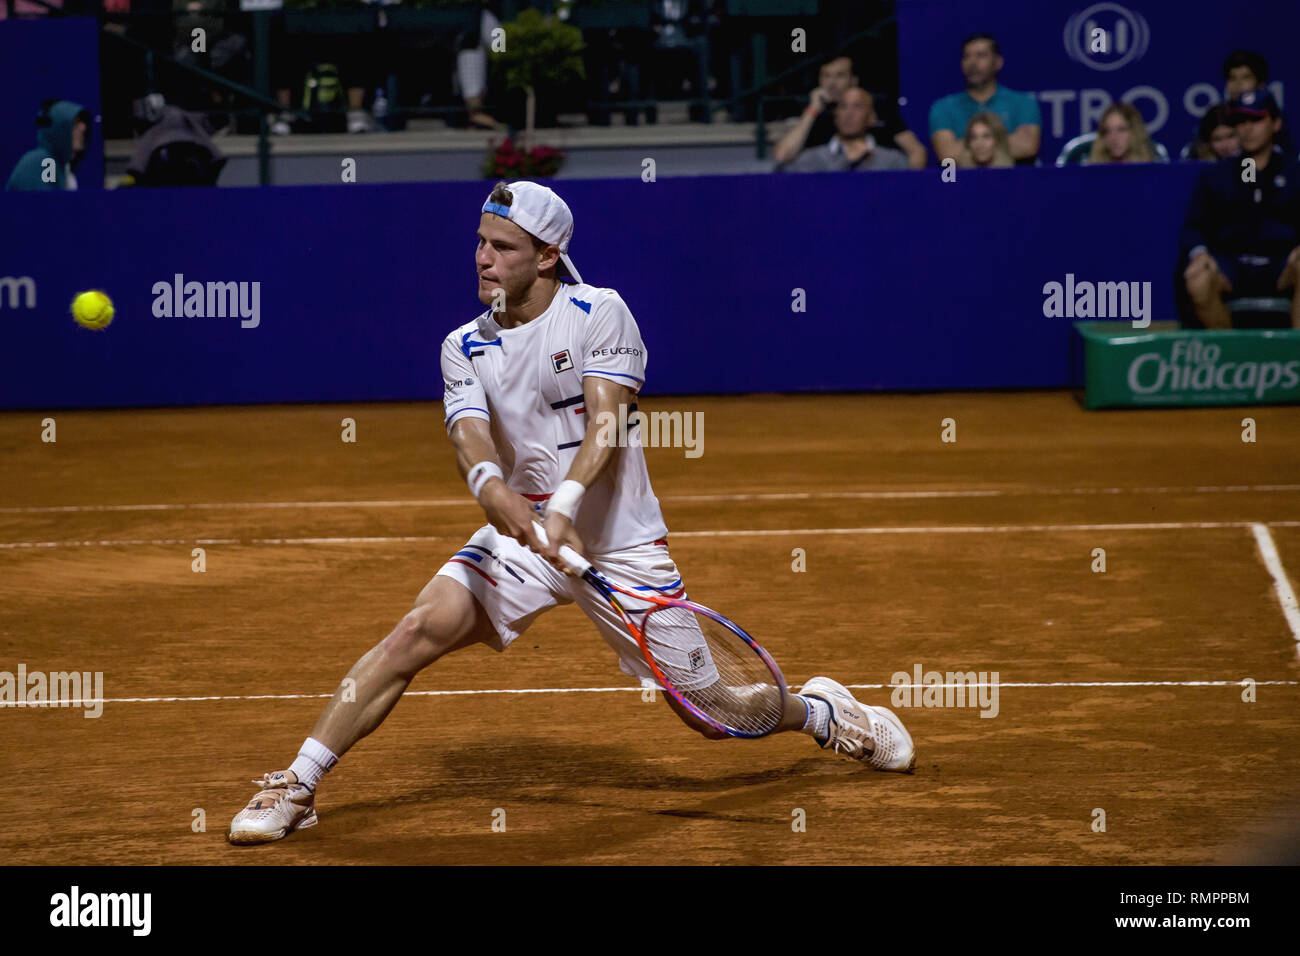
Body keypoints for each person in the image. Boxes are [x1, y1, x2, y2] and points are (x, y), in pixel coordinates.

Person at [228, 180, 916, 844]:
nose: (482, 258)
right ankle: (297, 785)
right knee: (415, 631)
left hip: (619, 545)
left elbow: (607, 427)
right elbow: (469, 434)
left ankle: (823, 715)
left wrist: (563, 508)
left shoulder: (600, 313)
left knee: (715, 713)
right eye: (479, 242)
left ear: (548, 256)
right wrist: (493, 490)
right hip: (524, 537)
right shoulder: (462, 345)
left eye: (503, 247)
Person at [1179, 90, 1300, 330]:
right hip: (1230, 265)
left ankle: (1296, 360)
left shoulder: (1294, 173)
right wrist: (1200, 253)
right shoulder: (1216, 176)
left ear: (1275, 124)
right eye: (1241, 122)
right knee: (1198, 278)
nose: (1247, 129)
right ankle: (1228, 359)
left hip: (1281, 263)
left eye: (1256, 120)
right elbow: (1193, 227)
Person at [773, 56, 926, 169]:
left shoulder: (878, 110)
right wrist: (812, 110)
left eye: (839, 76)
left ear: (853, 81)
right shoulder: (815, 115)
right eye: (826, 76)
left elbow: (916, 151)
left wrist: (904, 184)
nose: (832, 83)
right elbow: (782, 155)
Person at [929, 33, 1041, 165]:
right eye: (966, 57)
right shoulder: (943, 107)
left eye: (981, 55)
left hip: (1015, 180)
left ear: (998, 62)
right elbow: (948, 153)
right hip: (961, 181)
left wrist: (968, 145)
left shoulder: (1024, 103)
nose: (972, 63)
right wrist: (1001, 142)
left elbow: (1027, 146)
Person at [780, 88, 909, 173]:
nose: (848, 114)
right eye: (843, 107)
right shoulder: (812, 159)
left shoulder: (893, 161)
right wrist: (847, 162)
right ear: (835, 116)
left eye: (857, 107)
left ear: (871, 118)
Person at [5, 99, 91, 192]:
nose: (83, 128)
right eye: (75, 123)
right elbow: (46, 204)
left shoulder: (62, 166)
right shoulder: (44, 162)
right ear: (60, 130)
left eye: (82, 123)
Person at [1087, 103, 1157, 164]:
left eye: (1121, 129)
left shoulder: (1152, 172)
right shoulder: (1090, 172)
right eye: (1107, 131)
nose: (1113, 138)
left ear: (1135, 132)